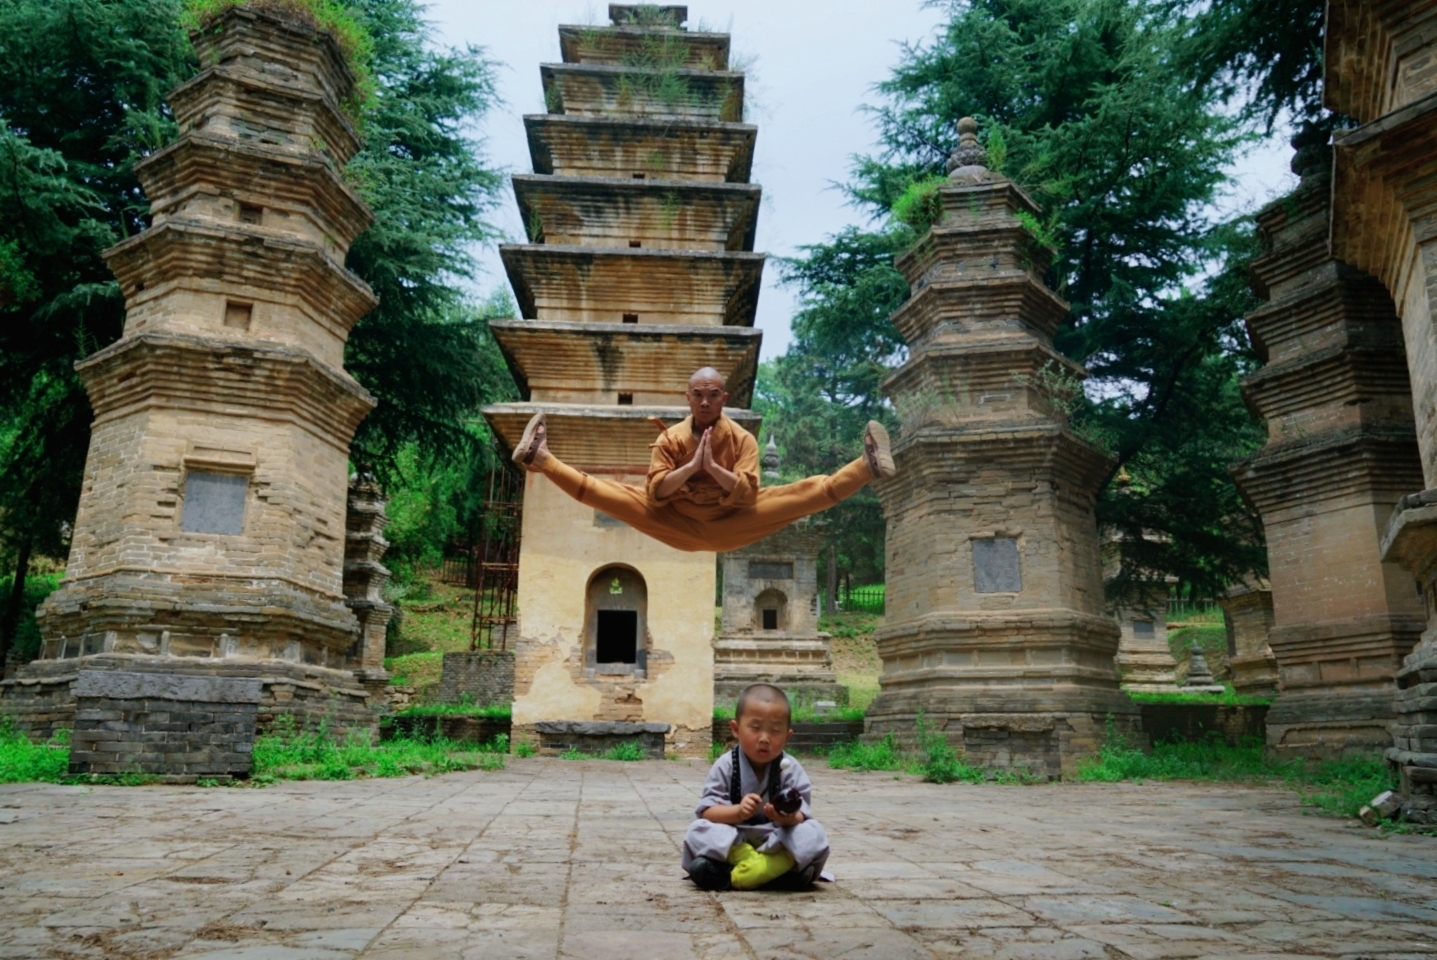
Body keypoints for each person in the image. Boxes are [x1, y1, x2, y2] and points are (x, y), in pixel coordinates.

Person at [510, 367, 895, 553]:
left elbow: (746, 495)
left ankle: (867, 465)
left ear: (724, 398)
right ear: (688, 398)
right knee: (608, 494)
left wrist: (712, 468)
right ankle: (540, 457)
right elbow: (657, 492)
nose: (706, 401)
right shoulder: (670, 439)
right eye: (698, 394)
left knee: (806, 494)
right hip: (675, 519)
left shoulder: (742, 439)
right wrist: (692, 467)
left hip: (732, 520)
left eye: (713, 394)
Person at [681, 683, 828, 891]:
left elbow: (800, 816)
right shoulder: (726, 765)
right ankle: (771, 871)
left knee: (814, 832)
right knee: (698, 830)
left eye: (775, 731)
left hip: (776, 837)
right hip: (735, 840)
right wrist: (738, 811)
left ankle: (734, 876)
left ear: (787, 737)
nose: (764, 739)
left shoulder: (790, 769)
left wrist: (784, 817)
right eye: (756, 728)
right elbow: (708, 812)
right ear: (736, 729)